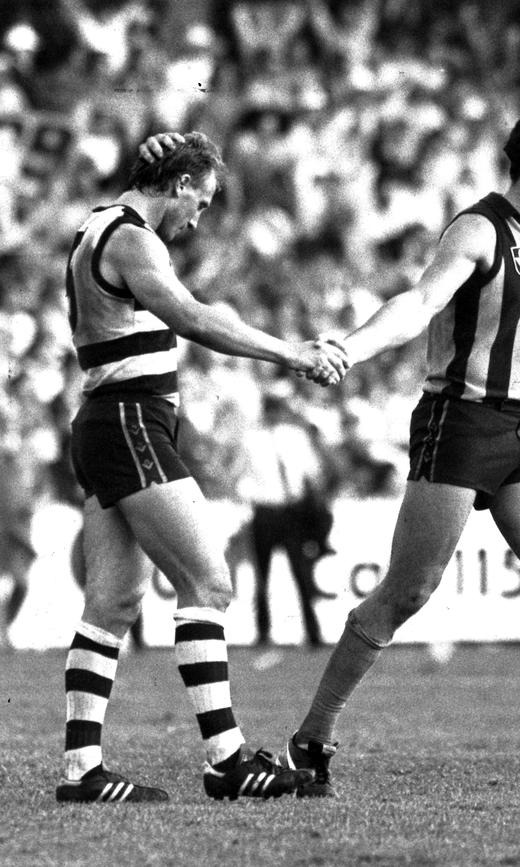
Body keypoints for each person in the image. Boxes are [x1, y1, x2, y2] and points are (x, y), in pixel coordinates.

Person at [282, 99, 520, 797]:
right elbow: (418, 304)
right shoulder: (479, 229)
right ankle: (312, 736)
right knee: (408, 590)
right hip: (462, 421)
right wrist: (348, 349)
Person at [56, 130, 348, 804]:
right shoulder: (132, 237)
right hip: (130, 420)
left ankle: (82, 770)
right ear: (180, 184)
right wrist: (291, 353)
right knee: (209, 582)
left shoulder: (98, 226)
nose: (201, 216)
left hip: (109, 422)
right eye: (203, 201)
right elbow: (190, 316)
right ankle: (226, 759)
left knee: (113, 603)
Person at [238, 393, 336, 648]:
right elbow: (243, 476)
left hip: (290, 511)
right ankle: (263, 632)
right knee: (263, 574)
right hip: (266, 509)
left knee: (300, 573)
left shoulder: (294, 437)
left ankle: (313, 632)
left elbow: (312, 472)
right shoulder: (252, 439)